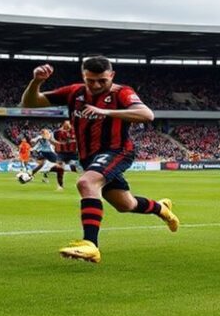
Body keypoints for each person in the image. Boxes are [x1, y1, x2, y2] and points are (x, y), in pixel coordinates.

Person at [20, 55, 179, 263]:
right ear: (83, 76)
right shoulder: (74, 92)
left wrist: (105, 111)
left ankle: (90, 244)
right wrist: (36, 82)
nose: (96, 85)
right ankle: (161, 208)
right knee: (125, 204)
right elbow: (29, 102)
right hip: (88, 157)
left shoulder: (122, 92)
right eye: (90, 80)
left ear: (112, 75)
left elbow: (147, 114)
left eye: (102, 80)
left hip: (117, 151)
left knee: (86, 183)